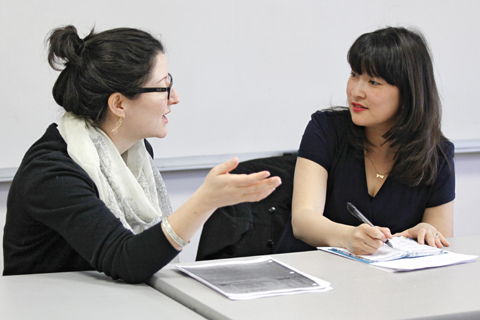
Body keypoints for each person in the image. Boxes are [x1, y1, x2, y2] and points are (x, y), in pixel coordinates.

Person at [3, 25, 281, 283]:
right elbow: (125, 260)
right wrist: (205, 202)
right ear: (119, 104)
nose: (175, 98)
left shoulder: (136, 152)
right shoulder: (52, 173)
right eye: (163, 87)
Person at [276, 26, 454, 256]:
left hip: (387, 285)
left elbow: (443, 241)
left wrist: (424, 232)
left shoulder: (437, 154)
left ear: (409, 92)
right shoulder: (326, 128)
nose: (356, 91)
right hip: (310, 271)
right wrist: (348, 237)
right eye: (354, 75)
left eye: (374, 82)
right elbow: (303, 220)